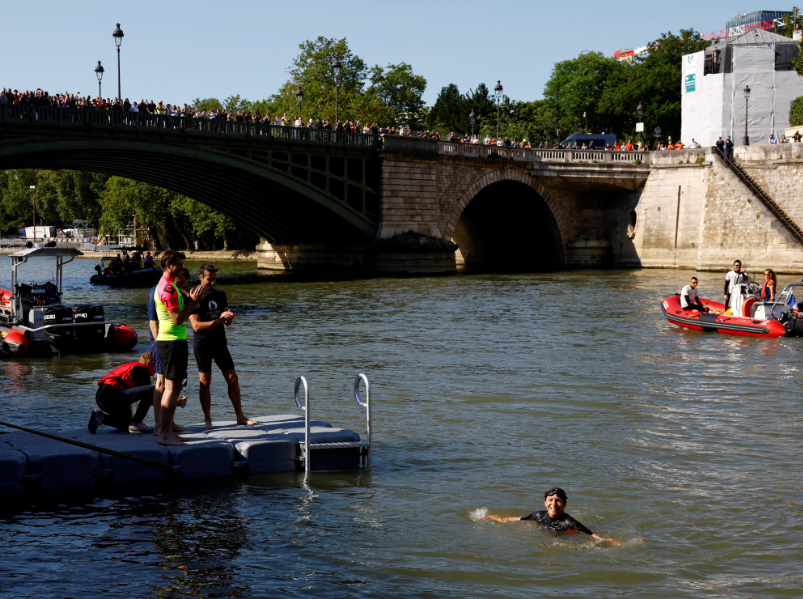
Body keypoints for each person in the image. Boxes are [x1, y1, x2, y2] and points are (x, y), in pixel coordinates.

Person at [190, 264, 256, 429]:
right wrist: (219, 320)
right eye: (209, 279)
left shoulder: (220, 294)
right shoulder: (193, 297)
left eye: (214, 279)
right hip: (202, 344)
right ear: (201, 278)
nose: (212, 282)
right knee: (205, 381)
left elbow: (227, 323)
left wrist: (229, 317)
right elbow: (196, 326)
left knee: (233, 378)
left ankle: (240, 416)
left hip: (219, 342)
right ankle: (207, 419)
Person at [154, 250, 209, 446]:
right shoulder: (167, 288)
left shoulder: (170, 286)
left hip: (172, 341)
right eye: (178, 264)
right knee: (171, 388)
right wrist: (193, 304)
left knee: (175, 387)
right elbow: (177, 319)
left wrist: (193, 302)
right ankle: (164, 434)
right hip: (171, 341)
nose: (181, 268)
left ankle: (167, 430)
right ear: (168, 265)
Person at [482, 487, 621, 545]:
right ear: (545, 502)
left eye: (558, 501)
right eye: (550, 500)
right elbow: (515, 519)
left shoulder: (569, 522)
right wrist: (494, 518)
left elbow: (593, 536)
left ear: (564, 505)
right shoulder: (538, 515)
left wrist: (613, 543)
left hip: (566, 533)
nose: (554, 504)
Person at [89, 352, 157, 434]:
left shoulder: (134, 368)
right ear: (149, 363)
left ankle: (101, 417)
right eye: (157, 365)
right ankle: (137, 422)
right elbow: (152, 397)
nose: (158, 370)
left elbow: (128, 398)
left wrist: (130, 421)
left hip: (102, 398)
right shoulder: (142, 369)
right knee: (152, 390)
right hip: (111, 395)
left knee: (125, 425)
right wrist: (171, 403)